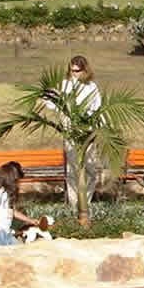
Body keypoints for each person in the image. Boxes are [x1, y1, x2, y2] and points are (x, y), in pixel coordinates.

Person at [45, 55, 103, 207]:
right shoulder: (64, 85)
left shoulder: (92, 87)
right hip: (70, 132)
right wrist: (49, 96)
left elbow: (98, 108)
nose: (74, 74)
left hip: (88, 132)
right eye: (71, 71)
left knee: (90, 169)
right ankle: (73, 204)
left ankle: (85, 204)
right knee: (72, 170)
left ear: (85, 70)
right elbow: (53, 104)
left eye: (77, 71)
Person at [0, 161, 39, 246]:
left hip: (7, 233)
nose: (18, 183)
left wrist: (30, 220)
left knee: (18, 251)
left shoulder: (7, 195)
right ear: (10, 180)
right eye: (17, 180)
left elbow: (12, 212)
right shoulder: (0, 193)